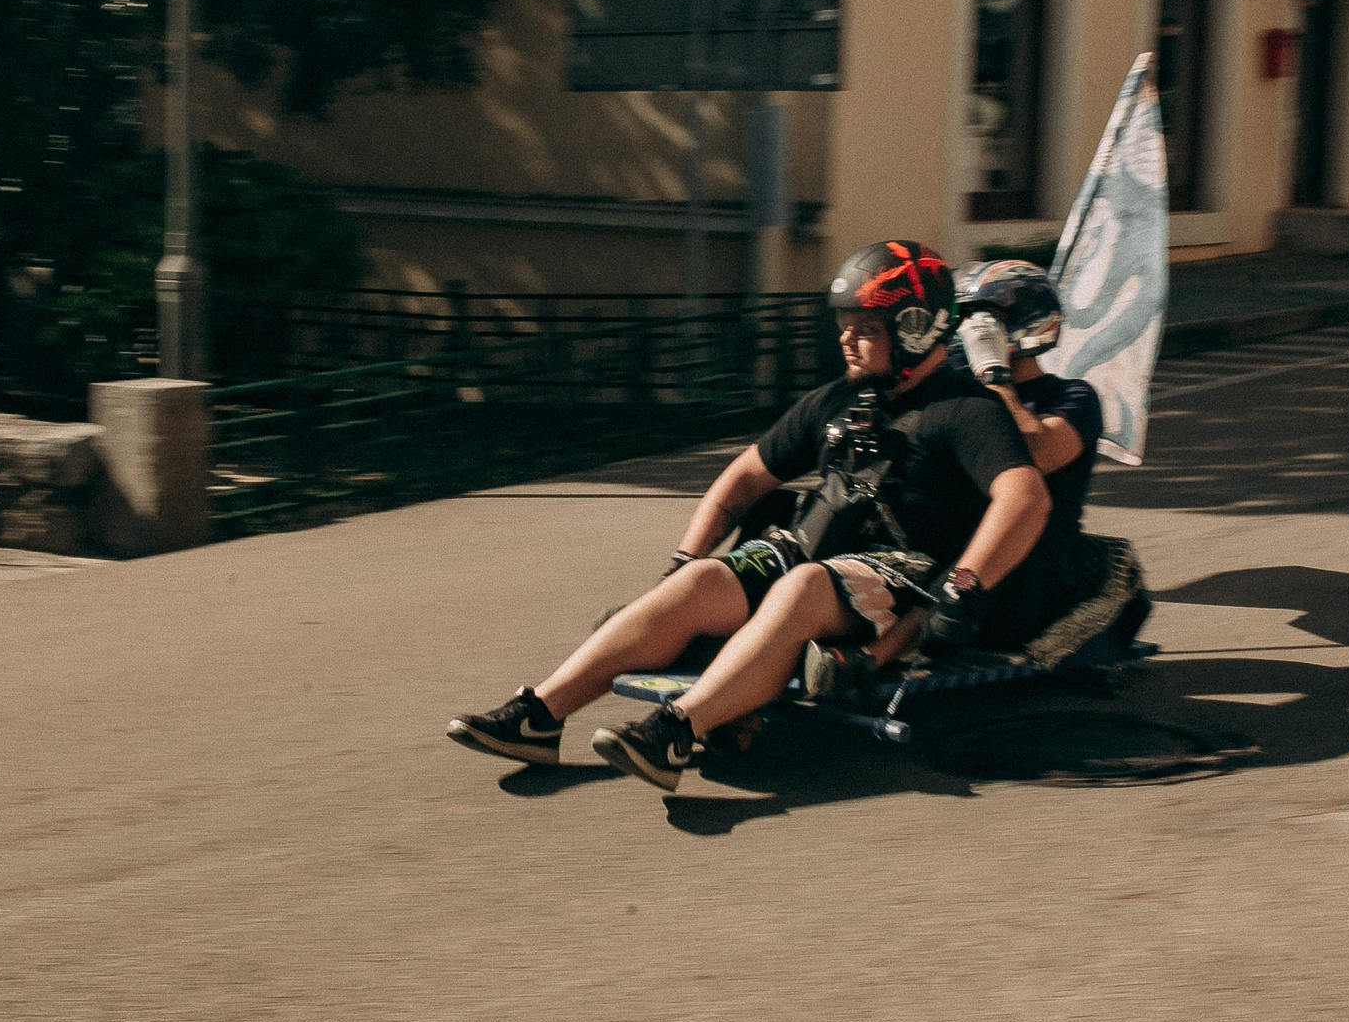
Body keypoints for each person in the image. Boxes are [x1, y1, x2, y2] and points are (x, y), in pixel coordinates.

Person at [445, 240, 1053, 792]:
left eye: (866, 328)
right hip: (810, 551)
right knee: (701, 581)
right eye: (844, 325)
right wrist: (685, 561)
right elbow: (741, 479)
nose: (845, 340)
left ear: (916, 329)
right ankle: (540, 715)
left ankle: (677, 730)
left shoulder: (966, 410)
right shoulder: (837, 401)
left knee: (803, 584)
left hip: (901, 577)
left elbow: (1025, 498)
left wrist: (962, 586)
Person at [797, 258, 1106, 695]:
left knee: (963, 569)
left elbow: (1037, 453)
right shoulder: (954, 389)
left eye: (987, 320)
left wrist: (993, 374)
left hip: (1024, 558)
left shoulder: (1073, 397)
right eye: (964, 319)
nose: (970, 330)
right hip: (948, 534)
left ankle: (864, 662)